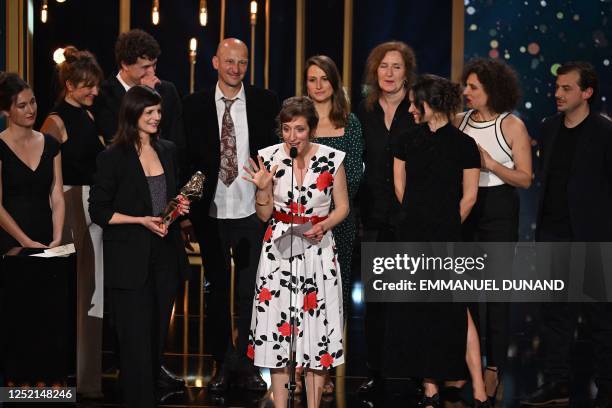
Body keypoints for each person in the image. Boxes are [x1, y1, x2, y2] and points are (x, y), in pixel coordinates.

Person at [182, 37, 279, 392]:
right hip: (211, 212)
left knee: (251, 291)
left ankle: (249, 363)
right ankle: (222, 364)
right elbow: (187, 162)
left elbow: (277, 153)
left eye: (242, 62)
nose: (235, 68)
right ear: (215, 62)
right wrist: (187, 212)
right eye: (229, 61)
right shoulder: (192, 105)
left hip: (252, 210)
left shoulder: (265, 102)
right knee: (217, 292)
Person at [91, 28, 186, 388]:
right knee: (132, 345)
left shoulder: (168, 151)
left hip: (164, 258)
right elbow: (98, 210)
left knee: (155, 338)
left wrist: (179, 208)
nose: (157, 117)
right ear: (132, 114)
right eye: (149, 112)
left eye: (158, 111)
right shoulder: (112, 157)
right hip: (129, 260)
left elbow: (172, 197)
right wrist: (141, 221)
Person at [244, 96, 349, 408]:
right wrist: (263, 188)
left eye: (299, 129)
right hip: (279, 250)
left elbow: (342, 207)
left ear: (312, 130)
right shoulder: (269, 159)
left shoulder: (332, 159)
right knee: (277, 333)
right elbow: (263, 215)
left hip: (318, 249)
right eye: (286, 129)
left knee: (317, 332)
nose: (292, 136)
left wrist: (325, 223)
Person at [390, 74, 486, 407]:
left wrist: (444, 227)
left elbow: (470, 196)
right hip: (412, 237)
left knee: (456, 310)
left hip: (446, 239)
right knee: (420, 311)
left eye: (417, 103)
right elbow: (400, 187)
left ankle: (478, 386)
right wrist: (418, 225)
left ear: (430, 104)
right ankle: (429, 386)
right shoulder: (406, 140)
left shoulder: (463, 145)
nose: (412, 109)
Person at [521, 62, 612, 408]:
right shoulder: (548, 128)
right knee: (554, 317)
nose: (558, 94)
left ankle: (606, 388)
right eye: (557, 88)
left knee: (600, 318)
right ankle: (556, 383)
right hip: (553, 234)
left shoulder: (605, 132)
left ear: (587, 92)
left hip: (593, 237)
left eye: (567, 89)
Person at [455, 57, 532, 404]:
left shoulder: (511, 126)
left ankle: (495, 367)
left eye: (474, 87)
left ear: (492, 90)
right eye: (466, 86)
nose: (466, 92)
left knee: (496, 295)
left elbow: (525, 178)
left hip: (500, 209)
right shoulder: (460, 122)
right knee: (466, 294)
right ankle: (467, 365)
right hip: (468, 207)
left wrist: (490, 164)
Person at [40, 46, 105, 397]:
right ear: (69, 85)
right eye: (87, 86)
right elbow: (42, 174)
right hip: (68, 206)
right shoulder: (55, 121)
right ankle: (56, 380)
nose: (94, 91)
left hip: (90, 205)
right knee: (71, 294)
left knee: (91, 295)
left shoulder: (89, 116)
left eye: (95, 85)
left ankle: (86, 381)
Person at [356, 40, 418, 394]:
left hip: (412, 218)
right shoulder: (363, 112)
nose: (389, 73)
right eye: (383, 66)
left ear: (407, 72)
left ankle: (413, 372)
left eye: (396, 67)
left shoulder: (418, 110)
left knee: (409, 300)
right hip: (374, 217)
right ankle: (376, 372)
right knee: (376, 303)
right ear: (374, 71)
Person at [303, 54, 363, 395]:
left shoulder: (349, 122)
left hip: (338, 221)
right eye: (312, 79)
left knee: (331, 297)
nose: (319, 85)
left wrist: (326, 212)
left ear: (334, 82)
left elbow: (354, 173)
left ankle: (322, 371)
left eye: (324, 78)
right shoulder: (298, 119)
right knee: (299, 294)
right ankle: (297, 366)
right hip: (297, 222)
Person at [0, 72, 64, 253]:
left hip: (46, 238)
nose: (31, 110)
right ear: (6, 111)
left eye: (33, 101)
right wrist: (25, 242)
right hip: (10, 242)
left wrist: (58, 235)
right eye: (22, 105)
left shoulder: (51, 144)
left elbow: (57, 194)